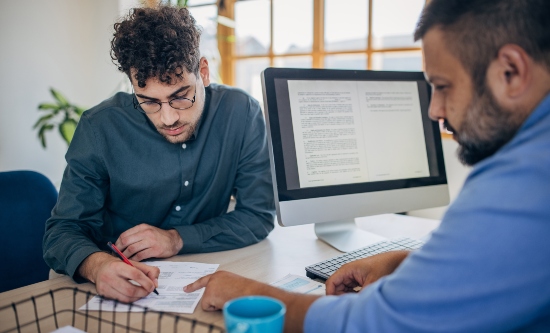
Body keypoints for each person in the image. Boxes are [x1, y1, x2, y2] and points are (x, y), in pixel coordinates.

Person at [184, 0, 550, 331]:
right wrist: (404, 262)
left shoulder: (525, 182)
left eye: (443, 86)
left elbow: (375, 324)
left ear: (511, 72)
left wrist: (248, 292)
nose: (435, 111)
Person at [43, 6, 275, 303]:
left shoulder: (241, 113)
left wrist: (177, 239)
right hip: (116, 291)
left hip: (204, 285)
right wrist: (99, 266)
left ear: (203, 72)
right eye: (149, 102)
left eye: (180, 97)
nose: (167, 118)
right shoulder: (99, 128)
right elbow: (62, 231)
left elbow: (257, 216)